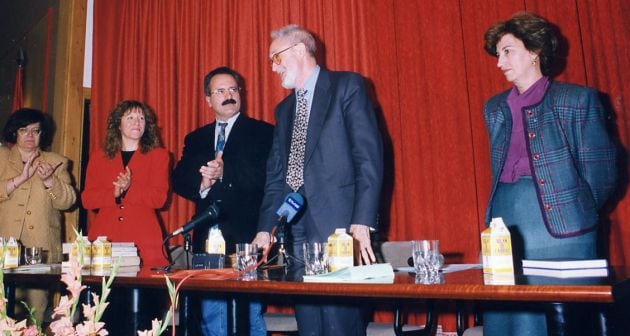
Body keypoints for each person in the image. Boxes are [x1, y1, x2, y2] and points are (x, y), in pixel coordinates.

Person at [482, 12, 618, 336]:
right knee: (508, 319)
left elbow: (602, 175)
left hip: (562, 233)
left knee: (555, 324)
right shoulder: (494, 107)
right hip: (505, 225)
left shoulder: (576, 100)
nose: (500, 62)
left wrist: (571, 209)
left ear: (534, 52)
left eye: (508, 51)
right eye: (498, 54)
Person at [252, 24, 383, 335]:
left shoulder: (346, 86)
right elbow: (276, 176)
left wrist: (362, 220)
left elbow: (369, 158)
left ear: (299, 50)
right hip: (295, 232)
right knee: (308, 324)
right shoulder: (283, 109)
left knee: (340, 323)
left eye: (276, 57)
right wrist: (264, 227)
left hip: (340, 227)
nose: (273, 66)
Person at [172, 66, 273, 335]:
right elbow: (179, 180)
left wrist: (226, 172)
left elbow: (267, 179)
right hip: (207, 241)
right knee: (210, 316)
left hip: (247, 239)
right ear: (208, 100)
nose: (229, 95)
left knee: (247, 315)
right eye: (220, 91)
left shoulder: (263, 132)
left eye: (233, 89)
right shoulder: (196, 138)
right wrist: (202, 183)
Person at [0, 108, 77, 321]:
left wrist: (50, 182)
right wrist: (18, 180)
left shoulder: (56, 161)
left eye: (36, 131)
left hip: (39, 253)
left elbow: (68, 201)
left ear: (43, 134)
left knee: (35, 317)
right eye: (24, 130)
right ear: (14, 132)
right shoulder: (1, 158)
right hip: (3, 250)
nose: (30, 136)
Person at [82, 100, 169, 267]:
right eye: (130, 117)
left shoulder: (159, 156)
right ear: (118, 125)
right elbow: (88, 199)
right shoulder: (99, 157)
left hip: (144, 239)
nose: (137, 122)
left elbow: (159, 199)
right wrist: (114, 194)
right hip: (106, 238)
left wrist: (129, 189)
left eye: (141, 118)